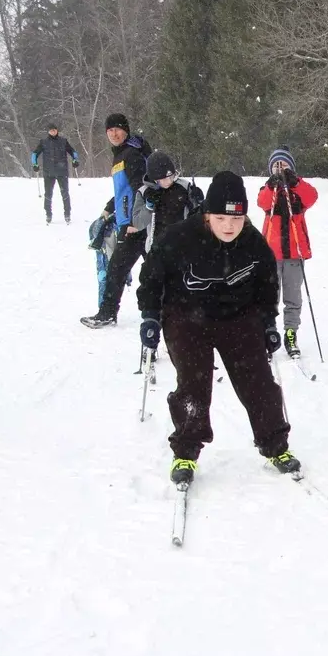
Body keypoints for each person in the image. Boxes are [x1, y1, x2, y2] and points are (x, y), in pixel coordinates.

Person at [136, 171, 299, 483]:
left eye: (236, 219)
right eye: (222, 218)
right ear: (208, 214)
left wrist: (267, 324)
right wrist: (150, 316)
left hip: (237, 317)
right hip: (186, 317)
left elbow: (266, 287)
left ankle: (275, 444)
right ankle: (185, 453)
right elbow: (152, 276)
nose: (229, 226)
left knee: (259, 383)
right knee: (194, 387)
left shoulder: (253, 244)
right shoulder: (180, 237)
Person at [81, 113, 151, 328]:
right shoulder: (121, 155)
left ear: (126, 130)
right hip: (129, 221)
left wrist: (134, 221)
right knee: (148, 268)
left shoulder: (131, 155)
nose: (114, 133)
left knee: (117, 270)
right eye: (110, 130)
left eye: (118, 129)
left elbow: (141, 188)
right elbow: (124, 191)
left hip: (134, 225)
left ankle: (108, 312)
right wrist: (108, 209)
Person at [257, 146, 319, 358]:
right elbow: (261, 202)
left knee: (293, 296)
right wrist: (271, 185)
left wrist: (295, 182)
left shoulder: (297, 189)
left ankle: (291, 332)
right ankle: (268, 331)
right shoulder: (268, 189)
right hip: (271, 253)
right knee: (269, 296)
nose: (280, 169)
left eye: (284, 165)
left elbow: (311, 197)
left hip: (295, 253)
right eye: (276, 165)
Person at [31, 123, 79, 224]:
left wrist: (75, 160)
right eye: (51, 130)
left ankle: (67, 214)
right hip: (49, 172)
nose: (53, 132)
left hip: (62, 172)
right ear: (48, 131)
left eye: (54, 130)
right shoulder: (43, 142)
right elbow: (35, 154)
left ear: (57, 130)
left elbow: (73, 152)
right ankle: (48, 214)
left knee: (65, 193)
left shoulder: (63, 141)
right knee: (48, 194)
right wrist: (35, 164)